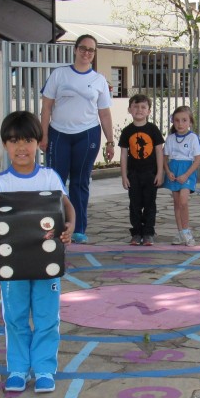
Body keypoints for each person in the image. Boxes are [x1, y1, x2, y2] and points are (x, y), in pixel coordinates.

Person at [0, 111, 75, 394]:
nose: (21, 147)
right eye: (13, 141)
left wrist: (70, 226)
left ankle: (45, 368)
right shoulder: (2, 183)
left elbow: (66, 206)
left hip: (47, 264)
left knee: (47, 316)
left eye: (27, 140)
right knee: (15, 316)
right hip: (13, 267)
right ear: (5, 145)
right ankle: (18, 369)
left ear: (38, 142)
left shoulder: (49, 177)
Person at [39, 34, 114, 244]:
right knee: (56, 181)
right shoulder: (59, 75)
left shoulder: (98, 80)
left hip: (88, 134)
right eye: (83, 48)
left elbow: (105, 113)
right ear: (75, 49)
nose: (86, 53)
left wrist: (110, 141)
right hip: (59, 134)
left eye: (91, 50)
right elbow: (46, 107)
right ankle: (52, 226)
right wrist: (43, 135)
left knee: (80, 182)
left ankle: (78, 227)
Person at [119, 94, 165, 246]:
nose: (139, 110)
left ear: (149, 111)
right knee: (135, 204)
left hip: (150, 174)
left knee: (150, 204)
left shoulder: (153, 130)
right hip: (133, 174)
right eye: (136, 106)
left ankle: (148, 233)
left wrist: (160, 172)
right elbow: (124, 154)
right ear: (129, 109)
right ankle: (137, 232)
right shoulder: (127, 131)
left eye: (143, 107)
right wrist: (124, 175)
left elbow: (159, 151)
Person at [164, 105, 200, 246]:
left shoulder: (193, 138)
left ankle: (187, 231)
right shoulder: (170, 139)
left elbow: (198, 159)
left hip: (187, 172)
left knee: (183, 201)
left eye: (184, 120)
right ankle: (180, 232)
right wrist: (168, 171)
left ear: (190, 122)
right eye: (177, 120)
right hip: (174, 171)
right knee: (176, 203)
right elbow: (165, 157)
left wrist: (186, 174)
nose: (180, 124)